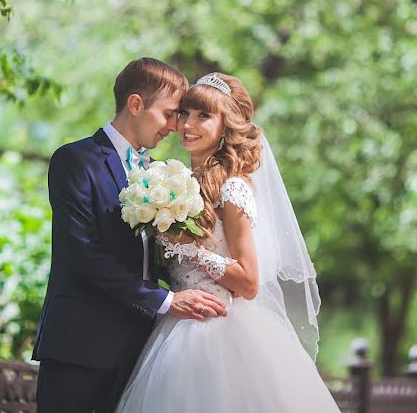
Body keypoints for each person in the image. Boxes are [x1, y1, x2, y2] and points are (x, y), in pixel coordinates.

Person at [116, 72, 340, 413]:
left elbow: (249, 282)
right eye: (185, 113)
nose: (189, 124)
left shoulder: (232, 190)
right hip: (174, 327)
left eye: (204, 115)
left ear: (226, 125)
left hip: (221, 331)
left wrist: (190, 247)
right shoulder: (178, 184)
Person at [31, 58, 228, 413]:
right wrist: (167, 302)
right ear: (136, 104)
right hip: (79, 344)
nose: (175, 126)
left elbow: (154, 254)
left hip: (141, 349)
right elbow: (82, 255)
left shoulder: (157, 173)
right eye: (169, 113)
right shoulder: (76, 161)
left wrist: (200, 280)